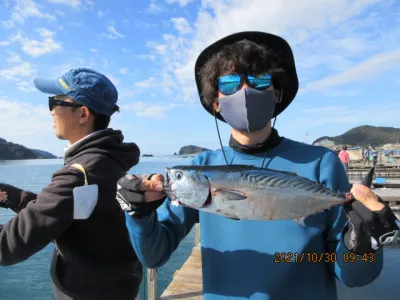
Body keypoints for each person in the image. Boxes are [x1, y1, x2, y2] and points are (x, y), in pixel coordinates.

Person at [116, 32, 399, 300]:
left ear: (276, 93)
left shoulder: (321, 164)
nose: (246, 90)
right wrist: (139, 213)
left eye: (259, 80)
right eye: (229, 83)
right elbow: (154, 254)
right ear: (216, 102)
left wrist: (361, 247)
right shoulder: (198, 169)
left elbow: (351, 274)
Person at [0, 68, 143, 300]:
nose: (51, 112)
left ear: (83, 114)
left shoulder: (80, 172)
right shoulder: (107, 161)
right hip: (117, 288)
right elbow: (67, 211)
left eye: (55, 102)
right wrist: (13, 196)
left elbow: (7, 246)